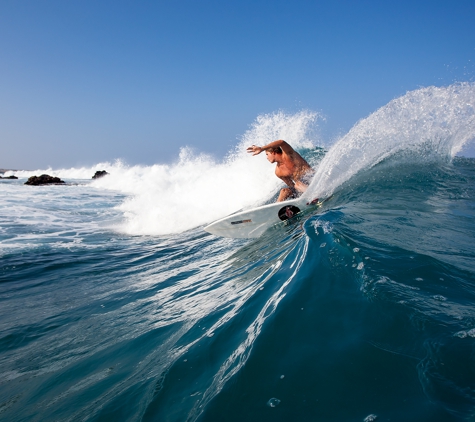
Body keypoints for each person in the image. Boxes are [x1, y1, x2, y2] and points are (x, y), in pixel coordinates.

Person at [247, 140, 314, 202]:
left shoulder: (289, 155)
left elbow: (282, 142)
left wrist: (262, 148)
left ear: (273, 152)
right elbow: (291, 186)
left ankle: (314, 197)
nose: (267, 157)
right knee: (284, 191)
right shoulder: (278, 172)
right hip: (302, 188)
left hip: (311, 178)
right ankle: (278, 210)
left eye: (267, 154)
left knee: (297, 184)